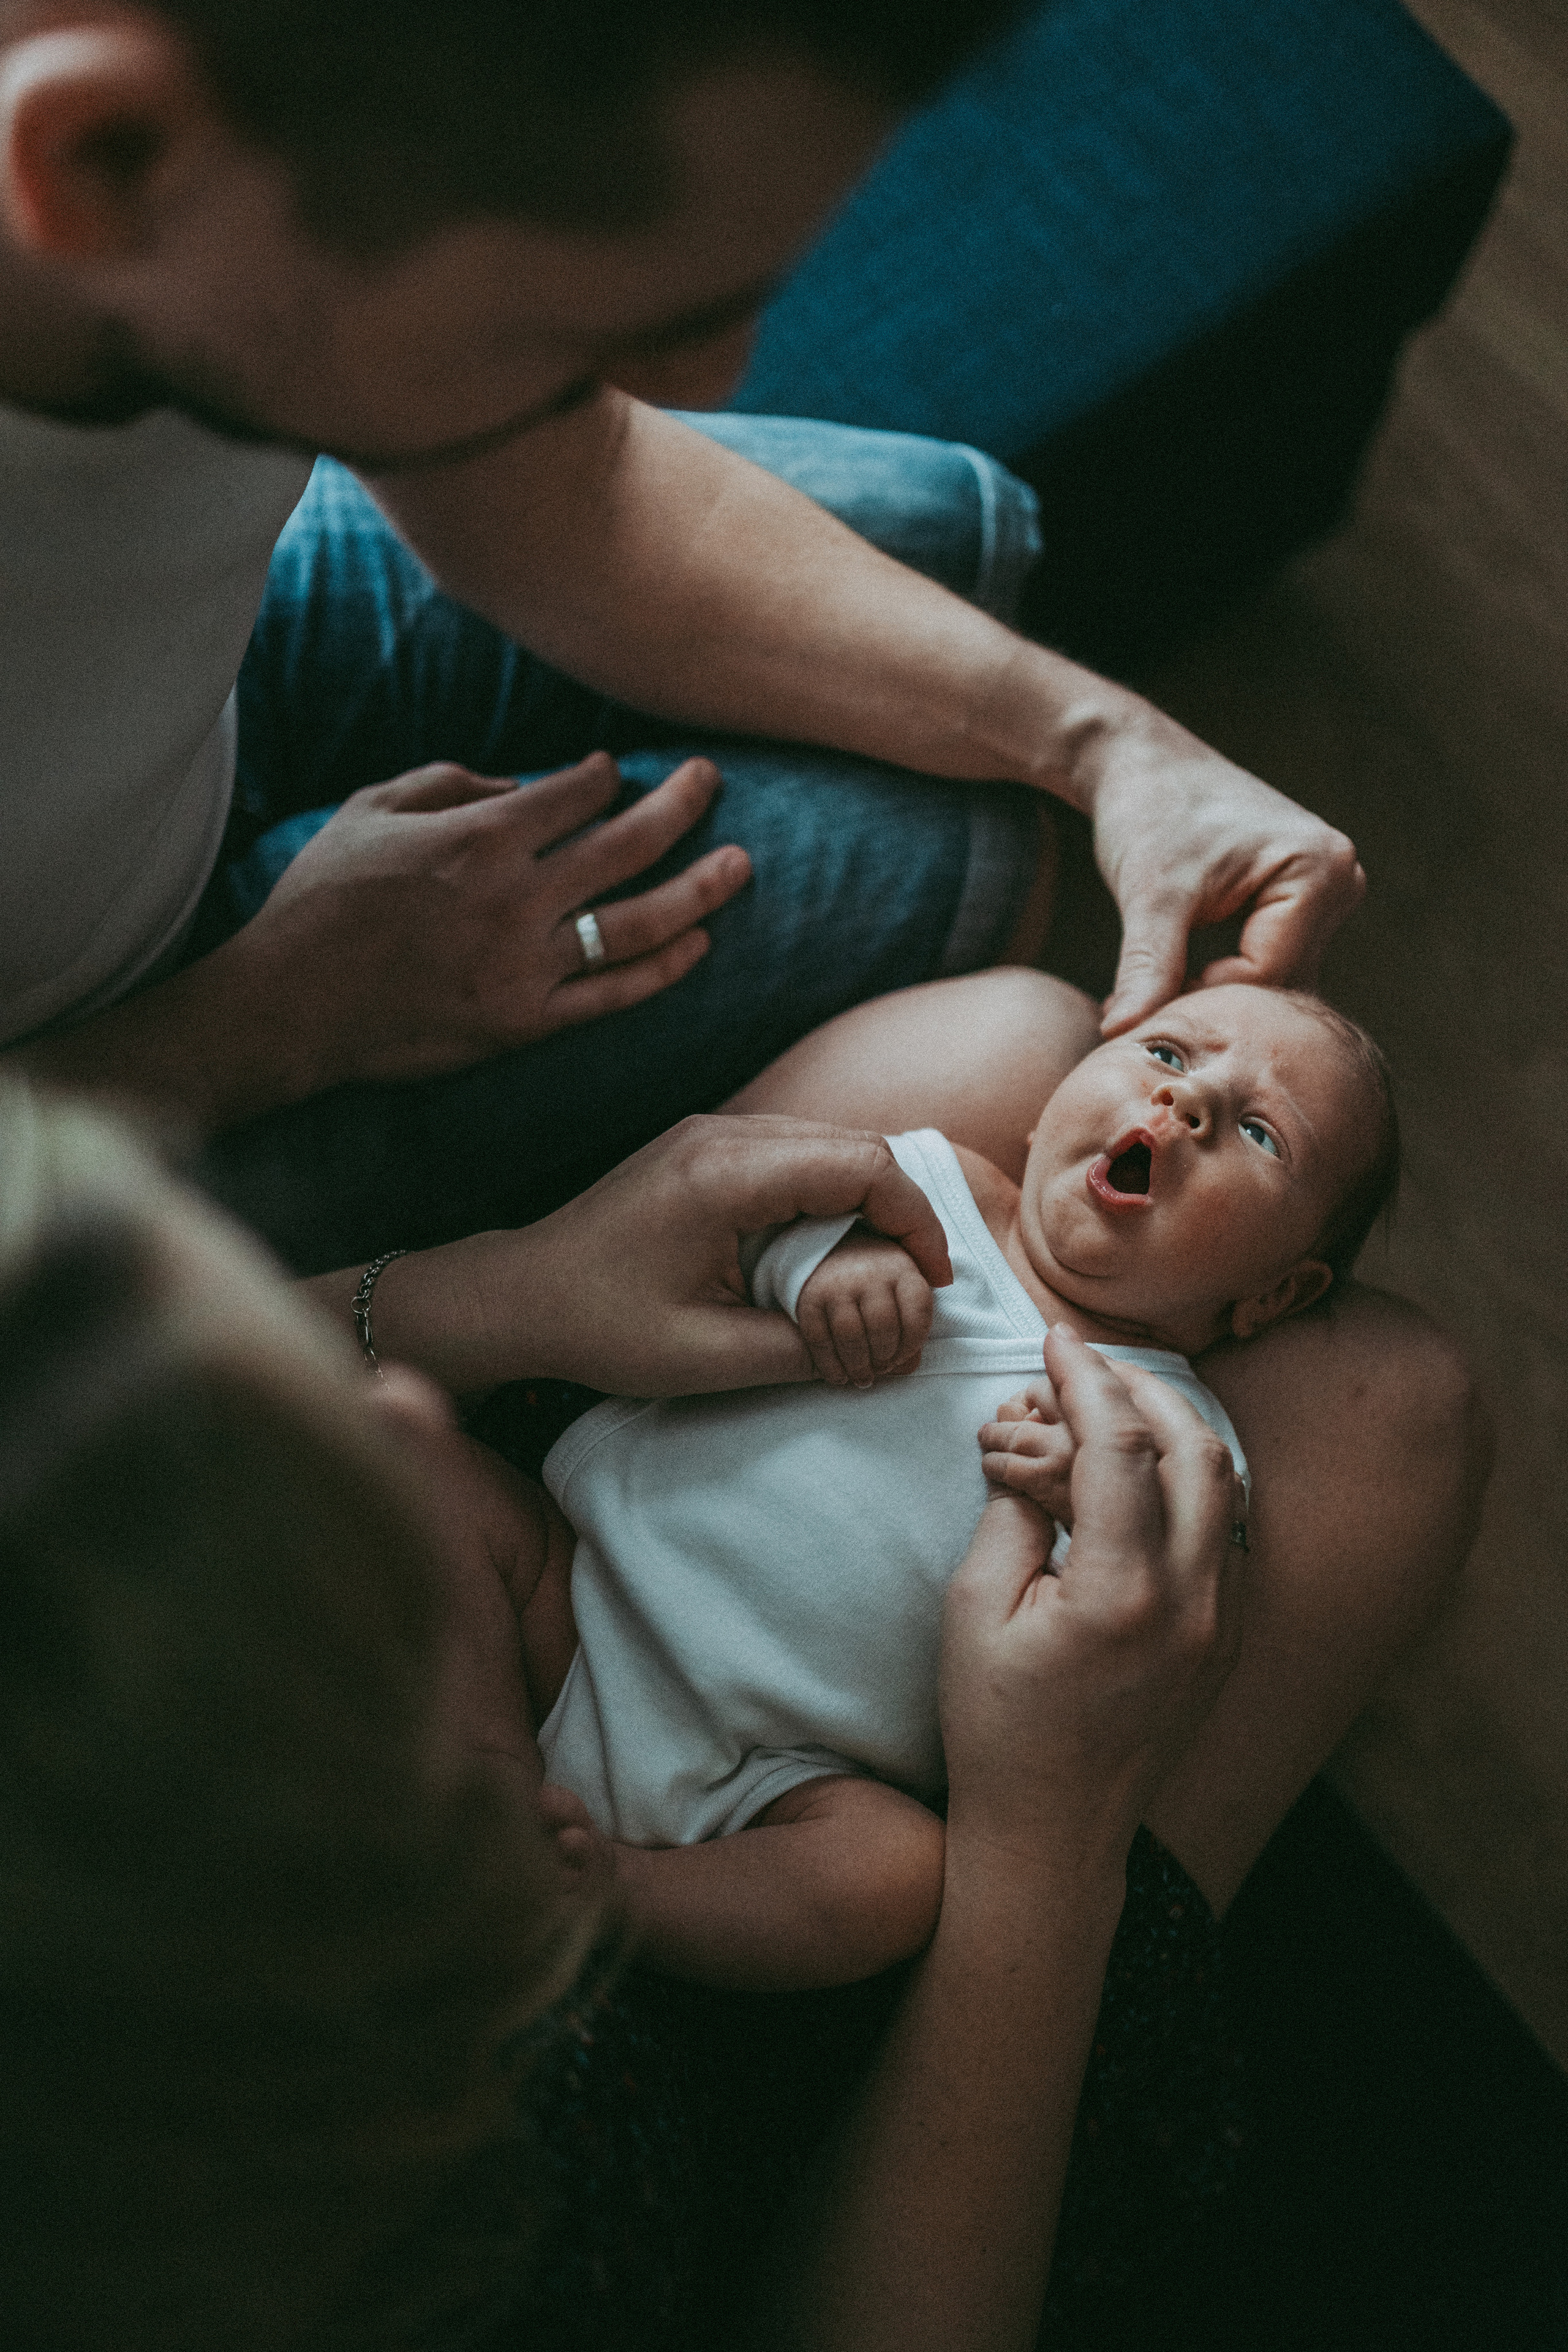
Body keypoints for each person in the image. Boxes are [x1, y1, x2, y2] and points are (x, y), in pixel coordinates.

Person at [0, 0, 1368, 1297]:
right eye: (579, 325)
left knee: (960, 527)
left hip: (201, 699)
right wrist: (268, 1021)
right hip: (89, 1067)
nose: (707, 383)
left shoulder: (196, 191)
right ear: (101, 161)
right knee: (971, 866)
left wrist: (1112, 747)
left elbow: (577, 493)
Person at [0, 1073, 1246, 2352]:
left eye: (1256, 1130)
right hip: (737, 1831)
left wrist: (490, 1289)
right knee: (896, 1873)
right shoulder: (499, 2219)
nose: (415, 1400)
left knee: (872, 1861)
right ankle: (597, 1897)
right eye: (1163, 1057)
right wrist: (1047, 1830)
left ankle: (542, 1821)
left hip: (610, 1627)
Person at [517, 979, 1403, 1990]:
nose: (1187, 1105)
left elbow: (1141, 1619)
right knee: (447, 1496)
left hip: (777, 1778)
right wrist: (821, 1260)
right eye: (1168, 1055)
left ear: (1274, 1294)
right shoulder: (924, 1187)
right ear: (1045, 1111)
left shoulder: (1180, 1438)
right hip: (577, 1597)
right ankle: (496, 1788)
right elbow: (730, 1229)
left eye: (1258, 1132)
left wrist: (1090, 1505)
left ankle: (607, 1893)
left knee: (893, 1882)